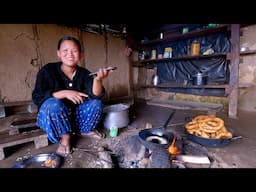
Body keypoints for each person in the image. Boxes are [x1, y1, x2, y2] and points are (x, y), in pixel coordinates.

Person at [32, 35, 112, 157]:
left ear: (81, 55)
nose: (70, 54)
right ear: (58, 53)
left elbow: (96, 95)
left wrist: (98, 80)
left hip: (75, 117)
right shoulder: (48, 70)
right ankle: (65, 137)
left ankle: (83, 130)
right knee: (53, 104)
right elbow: (37, 97)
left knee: (97, 103)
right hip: (54, 117)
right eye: (65, 50)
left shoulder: (84, 73)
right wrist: (63, 93)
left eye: (74, 51)